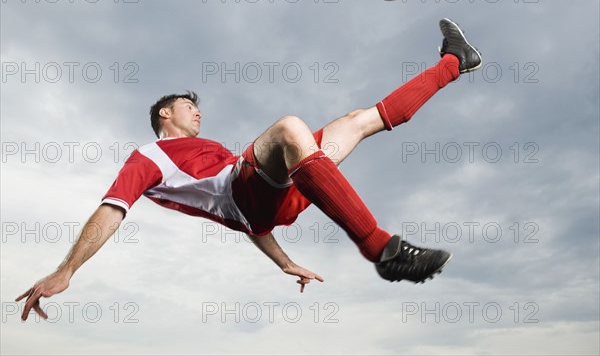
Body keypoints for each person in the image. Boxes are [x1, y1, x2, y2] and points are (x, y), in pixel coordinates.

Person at [16, 18, 483, 321]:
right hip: (248, 191)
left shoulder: (209, 147)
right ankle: (382, 249)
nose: (196, 112)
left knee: (358, 122)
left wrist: (284, 262)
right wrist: (67, 270)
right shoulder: (149, 157)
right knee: (288, 126)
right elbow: (111, 211)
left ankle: (453, 62)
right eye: (186, 106)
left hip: (276, 192)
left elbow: (254, 225)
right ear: (164, 115)